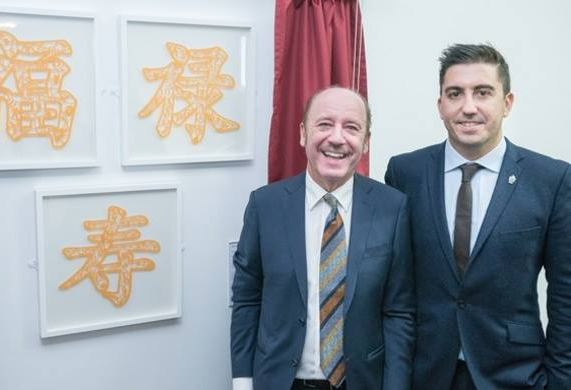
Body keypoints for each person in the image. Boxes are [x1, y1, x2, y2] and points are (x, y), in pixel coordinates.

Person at [385, 43, 571, 389]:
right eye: (455, 94)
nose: (468, 107)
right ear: (440, 105)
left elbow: (566, 297)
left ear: (507, 102)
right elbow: (394, 288)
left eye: (482, 92)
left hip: (516, 375)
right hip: (425, 374)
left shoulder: (551, 180)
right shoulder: (404, 173)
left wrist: (560, 382)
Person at [231, 86, 415, 390]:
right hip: (281, 381)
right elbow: (247, 299)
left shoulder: (392, 207)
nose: (337, 138)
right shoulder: (265, 206)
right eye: (325, 124)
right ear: (303, 133)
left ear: (366, 142)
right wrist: (242, 381)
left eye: (352, 127)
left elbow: (398, 312)